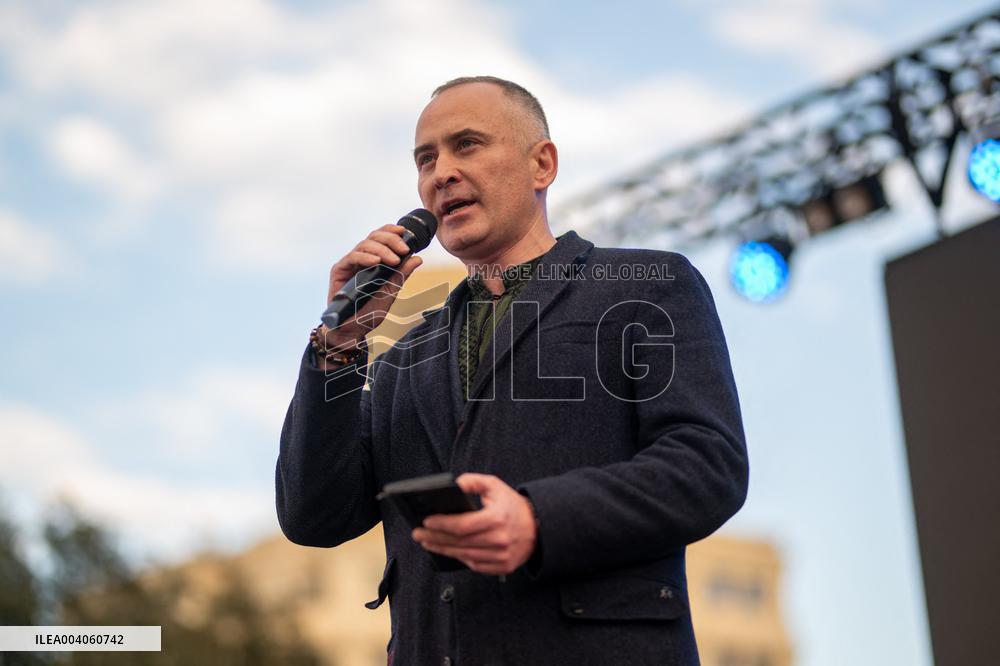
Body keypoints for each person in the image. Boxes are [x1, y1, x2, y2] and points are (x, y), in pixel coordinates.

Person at [276, 76, 749, 666]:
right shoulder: (401, 359)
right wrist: (337, 348)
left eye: (467, 144)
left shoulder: (644, 288)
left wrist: (537, 518)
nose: (439, 173)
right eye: (425, 159)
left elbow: (708, 465)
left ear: (541, 164)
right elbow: (313, 516)